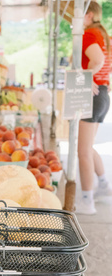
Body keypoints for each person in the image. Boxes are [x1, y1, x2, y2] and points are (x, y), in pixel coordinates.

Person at [76, 1, 111, 215]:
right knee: (88, 147)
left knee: (82, 152)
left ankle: (87, 201)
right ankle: (104, 185)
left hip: (92, 94)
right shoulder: (103, 35)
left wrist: (87, 77)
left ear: (88, 15)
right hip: (103, 94)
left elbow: (97, 60)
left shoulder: (89, 34)